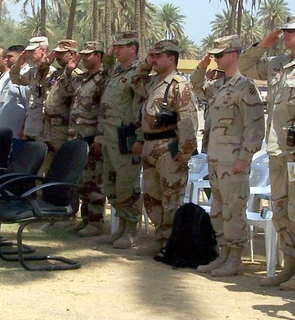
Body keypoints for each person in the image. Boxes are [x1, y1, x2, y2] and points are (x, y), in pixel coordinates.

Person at [239, 14, 295, 291]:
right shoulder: (278, 64)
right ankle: (288, 266)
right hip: (278, 152)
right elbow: (245, 65)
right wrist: (264, 44)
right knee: (281, 212)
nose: (285, 35)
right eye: (284, 32)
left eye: (291, 31)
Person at [192, 35, 265, 277]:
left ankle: (235, 258)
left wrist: (245, 158)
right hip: (215, 158)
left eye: (219, 55)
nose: (216, 59)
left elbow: (254, 128)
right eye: (214, 56)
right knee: (218, 210)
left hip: (233, 160)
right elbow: (196, 87)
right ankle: (223, 254)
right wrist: (202, 66)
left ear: (233, 55)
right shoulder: (219, 85)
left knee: (234, 211)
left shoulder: (245, 87)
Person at [131, 39, 199, 256]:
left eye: (158, 57)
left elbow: (188, 121)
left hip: (169, 147)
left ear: (171, 59)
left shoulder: (179, 85)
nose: (154, 60)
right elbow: (134, 81)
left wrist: (185, 151)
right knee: (151, 195)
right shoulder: (153, 83)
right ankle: (159, 238)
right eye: (153, 56)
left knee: (171, 197)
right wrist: (145, 63)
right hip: (150, 145)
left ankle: (171, 241)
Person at [96, 31, 144, 249]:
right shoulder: (116, 70)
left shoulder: (139, 72)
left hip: (125, 137)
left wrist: (140, 138)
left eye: (120, 47)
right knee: (111, 184)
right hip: (108, 137)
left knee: (127, 185)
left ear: (132, 48)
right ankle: (121, 228)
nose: (115, 50)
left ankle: (132, 230)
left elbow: (141, 109)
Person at [68, 41, 105, 236]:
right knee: (82, 182)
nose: (83, 58)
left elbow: (103, 112)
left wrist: (99, 138)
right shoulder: (82, 79)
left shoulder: (102, 80)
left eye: (87, 55)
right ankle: (85, 219)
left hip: (92, 137)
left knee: (93, 182)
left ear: (98, 56)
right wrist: (70, 69)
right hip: (77, 136)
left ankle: (96, 222)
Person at [41, 39, 80, 173]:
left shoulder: (75, 75)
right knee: (47, 165)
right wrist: (46, 63)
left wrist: (69, 72)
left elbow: (71, 95)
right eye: (56, 53)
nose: (57, 56)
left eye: (61, 53)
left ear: (71, 55)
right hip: (48, 128)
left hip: (62, 129)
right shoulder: (56, 73)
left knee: (61, 165)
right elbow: (40, 78)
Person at [0, 46, 28, 138]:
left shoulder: (24, 76)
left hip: (13, 131)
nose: (6, 59)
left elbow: (27, 105)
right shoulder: (0, 77)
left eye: (9, 57)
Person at [11, 36, 50, 141]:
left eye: (32, 51)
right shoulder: (33, 72)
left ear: (43, 50)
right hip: (31, 127)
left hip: (44, 130)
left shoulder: (50, 73)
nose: (29, 54)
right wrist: (18, 63)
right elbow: (15, 80)